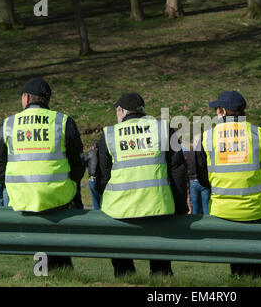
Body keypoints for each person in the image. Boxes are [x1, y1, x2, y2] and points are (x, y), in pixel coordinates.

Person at [0, 77, 85, 270]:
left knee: (43, 249)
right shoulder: (62, 121)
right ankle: (61, 271)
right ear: (47, 100)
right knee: (58, 245)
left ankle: (44, 272)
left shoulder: (8, 124)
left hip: (23, 200)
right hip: (59, 199)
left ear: (26, 98)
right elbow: (78, 165)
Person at [96, 92, 188, 277]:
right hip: (158, 207)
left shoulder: (110, 134)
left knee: (123, 268)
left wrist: (105, 202)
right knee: (161, 268)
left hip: (120, 210)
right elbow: (178, 169)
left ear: (121, 111)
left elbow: (102, 177)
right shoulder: (163, 129)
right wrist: (179, 206)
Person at [195, 90, 261, 277]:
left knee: (237, 266)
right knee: (258, 267)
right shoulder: (259, 134)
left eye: (217, 109)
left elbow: (202, 178)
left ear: (223, 112)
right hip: (258, 210)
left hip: (224, 210)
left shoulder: (207, 137)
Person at [184, 137, 210, 215]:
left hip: (192, 181)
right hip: (204, 182)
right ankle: (209, 225)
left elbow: (185, 167)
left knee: (195, 209)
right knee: (206, 208)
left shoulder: (188, 153)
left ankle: (196, 226)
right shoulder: (204, 152)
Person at [83, 141, 100, 210]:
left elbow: (83, 160)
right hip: (100, 178)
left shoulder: (90, 152)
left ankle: (97, 213)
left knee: (95, 198)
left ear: (92, 146)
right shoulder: (102, 153)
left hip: (92, 178)